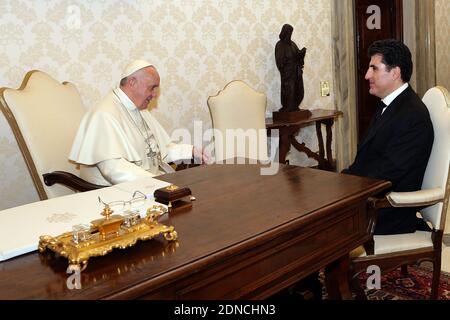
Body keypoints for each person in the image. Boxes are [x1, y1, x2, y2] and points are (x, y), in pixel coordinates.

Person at [342, 39, 434, 235]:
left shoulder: (412, 114)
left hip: (387, 211)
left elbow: (389, 173)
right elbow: (369, 160)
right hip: (371, 198)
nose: (367, 75)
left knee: (312, 228)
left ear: (395, 72)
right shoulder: (393, 105)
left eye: (373, 69)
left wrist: (345, 187)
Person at [69, 60, 208, 186]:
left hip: (146, 185)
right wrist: (158, 184)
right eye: (152, 87)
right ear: (132, 83)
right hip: (113, 194)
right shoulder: (103, 114)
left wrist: (189, 151)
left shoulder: (139, 109)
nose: (155, 94)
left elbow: (157, 152)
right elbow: (114, 170)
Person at [275, 24, 306, 112]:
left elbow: (297, 55)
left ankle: (295, 106)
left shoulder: (292, 44)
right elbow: (279, 61)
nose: (290, 34)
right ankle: (288, 107)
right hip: (287, 74)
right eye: (288, 32)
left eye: (291, 32)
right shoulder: (280, 45)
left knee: (298, 89)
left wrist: (301, 53)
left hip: (295, 72)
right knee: (289, 90)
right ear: (284, 32)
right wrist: (286, 66)